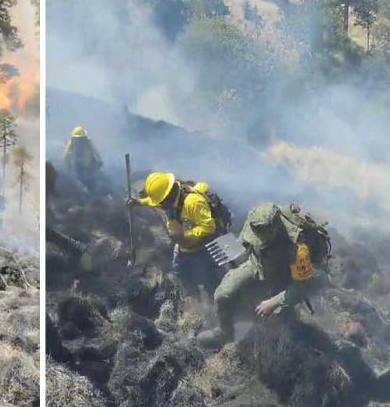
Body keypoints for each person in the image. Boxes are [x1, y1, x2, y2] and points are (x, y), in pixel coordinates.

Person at [197, 202, 327, 350]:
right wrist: (227, 251)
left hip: (284, 278)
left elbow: (300, 288)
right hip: (256, 264)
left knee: (280, 326)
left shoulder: (298, 248)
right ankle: (225, 333)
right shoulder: (255, 222)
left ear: (275, 229)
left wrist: (272, 303)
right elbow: (244, 242)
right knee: (222, 294)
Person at [128, 172, 230, 301]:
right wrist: (138, 202)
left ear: (168, 195)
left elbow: (208, 227)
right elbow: (154, 202)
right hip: (183, 248)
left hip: (202, 247)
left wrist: (185, 235)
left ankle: (214, 303)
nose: (160, 205)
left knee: (209, 280)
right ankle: (193, 298)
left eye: (161, 201)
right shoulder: (169, 200)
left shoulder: (193, 202)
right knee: (180, 272)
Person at [63, 126, 103, 193]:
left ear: (84, 137)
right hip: (78, 164)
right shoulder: (72, 143)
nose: (79, 140)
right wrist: (67, 165)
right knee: (80, 178)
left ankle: (92, 189)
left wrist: (99, 160)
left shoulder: (88, 141)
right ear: (74, 138)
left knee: (93, 177)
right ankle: (85, 190)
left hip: (89, 162)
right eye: (78, 138)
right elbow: (66, 155)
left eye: (81, 138)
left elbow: (94, 150)